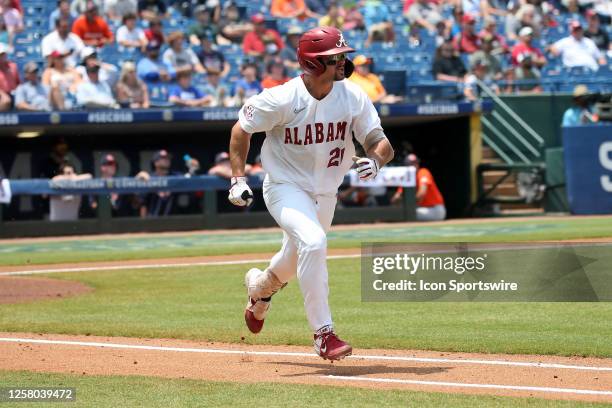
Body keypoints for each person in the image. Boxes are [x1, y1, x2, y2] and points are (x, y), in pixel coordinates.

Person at [228, 26, 394, 361]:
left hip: (326, 193)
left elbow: (381, 142)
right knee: (314, 243)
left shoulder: (353, 95)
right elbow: (240, 130)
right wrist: (237, 179)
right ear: (313, 63)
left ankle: (259, 292)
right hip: (285, 186)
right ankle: (324, 334)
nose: (343, 62)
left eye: (343, 55)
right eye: (335, 57)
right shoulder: (282, 97)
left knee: (291, 263)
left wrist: (375, 161)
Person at [391, 154, 445, 221]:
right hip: (422, 209)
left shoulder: (423, 172)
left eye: (415, 163)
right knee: (401, 213)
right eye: (411, 164)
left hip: (434, 209)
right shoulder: (407, 178)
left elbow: (421, 194)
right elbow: (395, 199)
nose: (414, 165)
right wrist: (400, 197)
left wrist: (408, 203)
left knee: (407, 214)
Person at [137, 149, 177, 217]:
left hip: (173, 222)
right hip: (153, 221)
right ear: (155, 162)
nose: (166, 160)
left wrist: (192, 168)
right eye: (163, 158)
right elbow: (142, 203)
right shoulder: (149, 178)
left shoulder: (175, 176)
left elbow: (189, 179)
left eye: (168, 158)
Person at [0, 43, 18, 111]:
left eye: (3, 54)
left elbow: (18, 83)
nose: (1, 57)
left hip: (13, 94)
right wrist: (2, 94)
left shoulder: (13, 66)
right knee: (6, 101)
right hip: (2, 95)